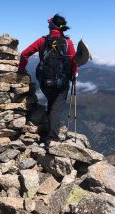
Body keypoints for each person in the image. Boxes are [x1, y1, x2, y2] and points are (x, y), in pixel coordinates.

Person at [18, 14, 78, 145]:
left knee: (52, 102)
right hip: (62, 82)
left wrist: (21, 70)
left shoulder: (42, 41)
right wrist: (74, 74)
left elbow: (24, 54)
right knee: (56, 107)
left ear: (51, 26)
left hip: (45, 81)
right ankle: (52, 138)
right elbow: (74, 60)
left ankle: (48, 129)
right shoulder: (67, 42)